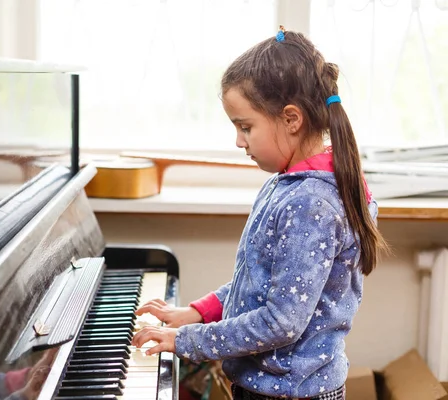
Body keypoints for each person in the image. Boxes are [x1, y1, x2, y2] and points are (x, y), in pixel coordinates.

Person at [131, 26, 388, 400]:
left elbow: (279, 322)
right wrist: (199, 312)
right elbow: (259, 282)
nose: (239, 140)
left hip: (291, 394)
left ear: (291, 119)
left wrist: (185, 340)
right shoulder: (286, 185)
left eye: (245, 126)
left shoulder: (310, 204)